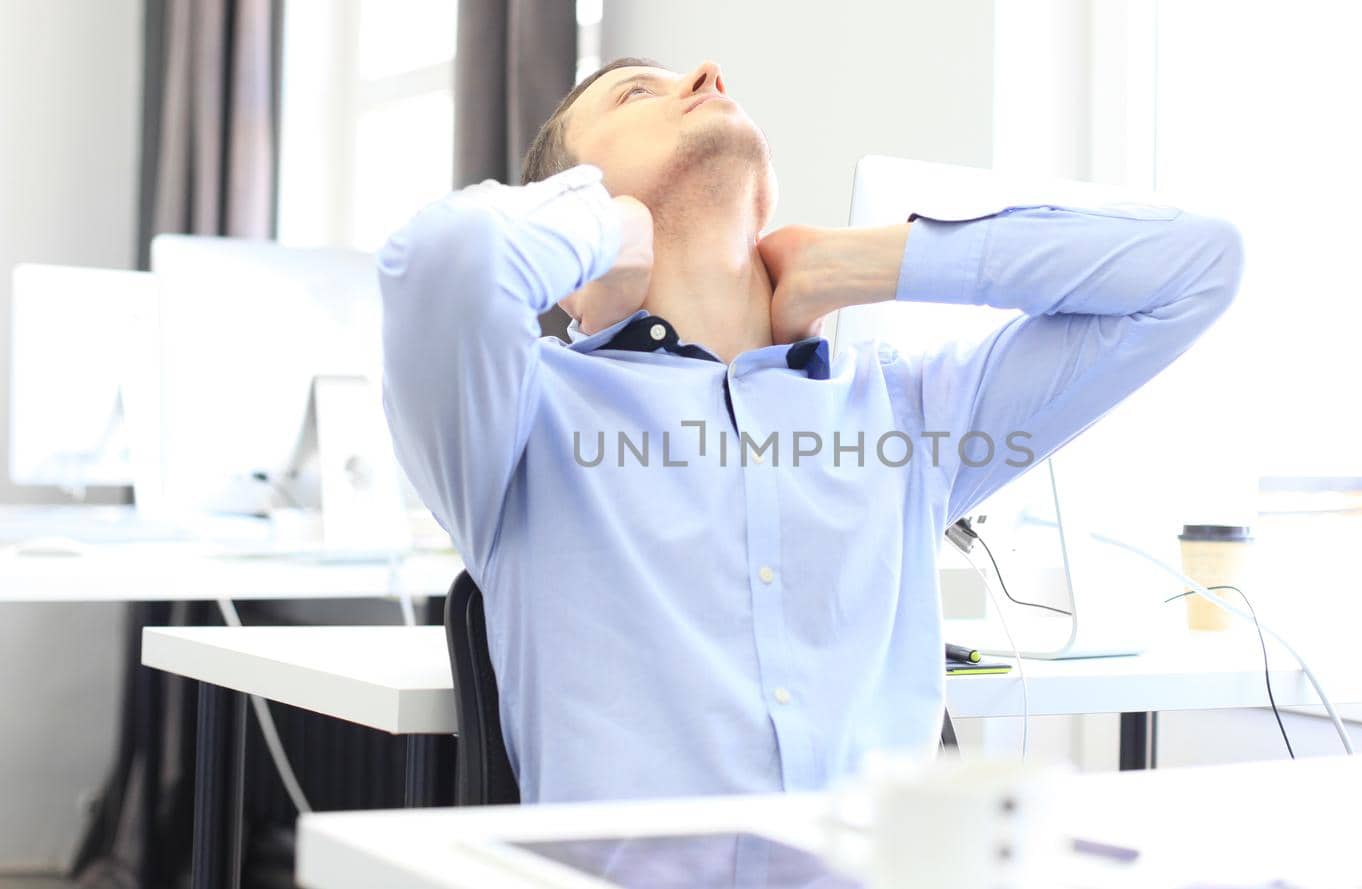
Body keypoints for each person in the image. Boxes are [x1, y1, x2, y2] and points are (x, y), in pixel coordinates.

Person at [379, 56, 1243, 804]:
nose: (707, 78)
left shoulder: (908, 413)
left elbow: (1197, 269)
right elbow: (442, 259)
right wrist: (611, 231)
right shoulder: (519, 417)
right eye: (639, 94)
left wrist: (872, 260)